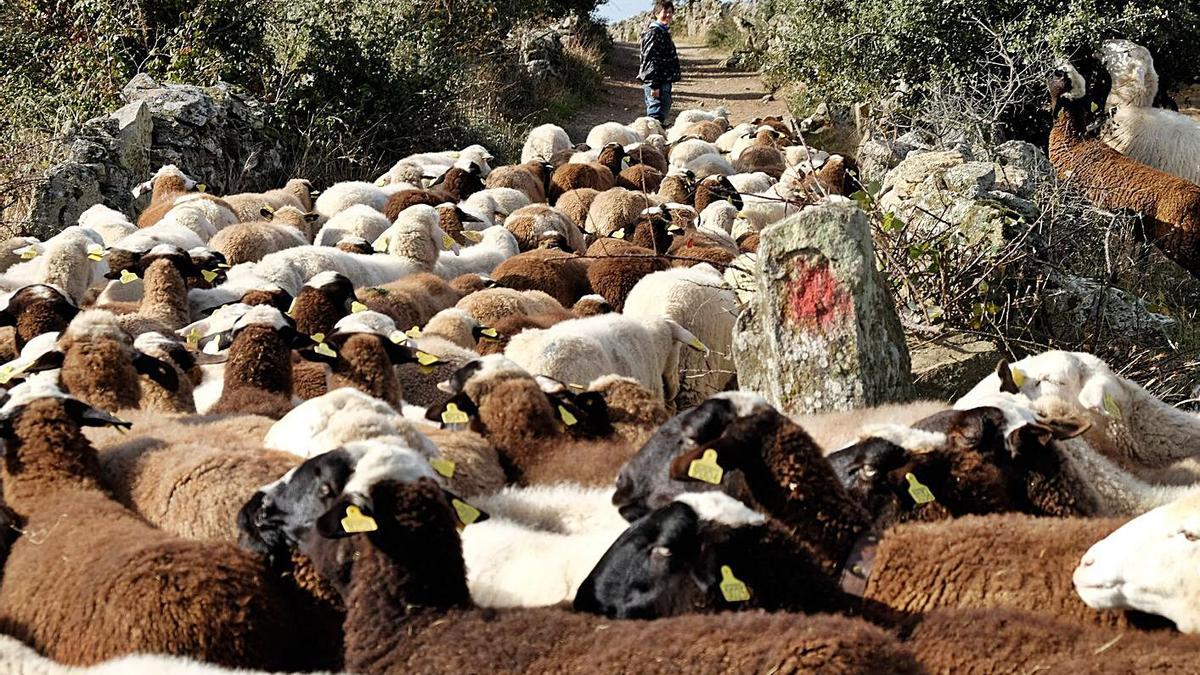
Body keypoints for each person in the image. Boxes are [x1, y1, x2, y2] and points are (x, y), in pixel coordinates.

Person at [638, 1, 681, 125]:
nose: (668, 15)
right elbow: (650, 60)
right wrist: (654, 85)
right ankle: (652, 139)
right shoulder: (653, 33)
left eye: (670, 12)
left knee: (663, 109)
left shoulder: (663, 32)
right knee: (655, 112)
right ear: (656, 14)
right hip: (657, 81)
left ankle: (658, 135)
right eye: (664, 12)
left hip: (664, 79)